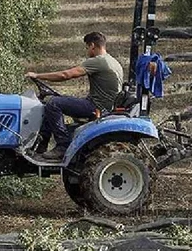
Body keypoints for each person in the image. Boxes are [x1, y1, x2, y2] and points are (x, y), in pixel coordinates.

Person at [25, 32, 123, 160]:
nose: (87, 51)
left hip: (97, 108)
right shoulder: (113, 61)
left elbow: (66, 75)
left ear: (92, 45)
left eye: (87, 47)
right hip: (103, 105)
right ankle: (40, 147)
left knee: (53, 103)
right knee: (56, 100)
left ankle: (62, 146)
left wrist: (37, 76)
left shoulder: (99, 61)